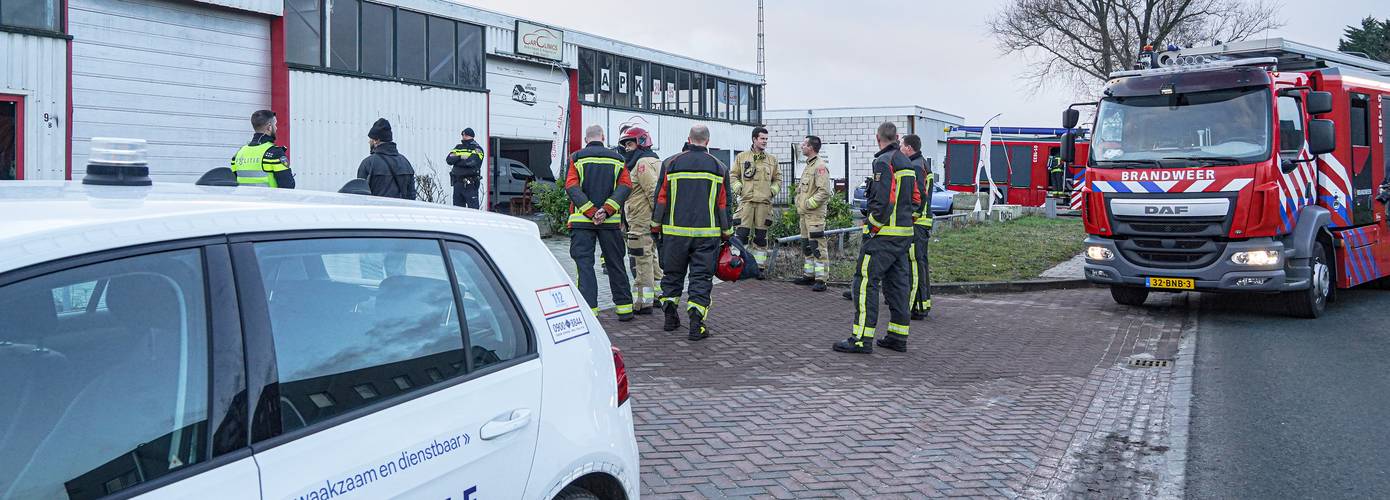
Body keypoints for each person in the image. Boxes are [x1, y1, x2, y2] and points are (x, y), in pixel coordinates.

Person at [835, 122, 919, 354]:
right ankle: (897, 336)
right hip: (903, 237)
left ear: (877, 137)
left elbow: (884, 201)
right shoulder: (907, 162)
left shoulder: (883, 162)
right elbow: (916, 199)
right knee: (898, 286)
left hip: (883, 237)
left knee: (864, 283)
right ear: (897, 137)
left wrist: (871, 226)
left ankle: (861, 339)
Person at [652, 124, 733, 341]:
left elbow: (660, 198)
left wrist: (655, 226)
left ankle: (670, 317)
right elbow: (724, 204)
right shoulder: (719, 167)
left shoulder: (671, 163)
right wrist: (727, 233)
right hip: (706, 235)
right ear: (707, 141)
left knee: (672, 274)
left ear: (688, 139)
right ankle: (696, 325)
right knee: (700, 278)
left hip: (673, 233)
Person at [566, 125, 636, 321]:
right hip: (610, 222)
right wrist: (606, 210)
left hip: (582, 222)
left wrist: (590, 211)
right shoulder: (618, 158)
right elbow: (625, 186)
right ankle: (625, 309)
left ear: (586, 139)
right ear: (603, 137)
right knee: (615, 263)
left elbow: (571, 185)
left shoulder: (576, 157)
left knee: (585, 266)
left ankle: (590, 311)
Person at [620, 127, 662, 315]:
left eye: (630, 144)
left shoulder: (642, 163)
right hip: (647, 220)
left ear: (641, 142)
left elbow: (653, 192)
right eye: (626, 145)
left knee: (641, 259)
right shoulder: (653, 160)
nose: (627, 149)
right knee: (651, 257)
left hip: (641, 221)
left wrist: (658, 218)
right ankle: (657, 296)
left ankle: (643, 302)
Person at [730, 127, 780, 272]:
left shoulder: (772, 160)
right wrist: (739, 188)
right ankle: (738, 267)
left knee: (761, 238)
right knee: (741, 236)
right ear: (754, 139)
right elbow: (733, 175)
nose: (765, 141)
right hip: (746, 204)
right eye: (762, 138)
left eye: (766, 139)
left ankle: (759, 268)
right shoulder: (742, 157)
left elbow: (778, 179)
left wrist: (772, 191)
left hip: (764, 205)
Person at [794, 135, 832, 292]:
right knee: (807, 246)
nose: (802, 147)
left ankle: (821, 280)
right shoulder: (809, 165)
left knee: (817, 247)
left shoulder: (819, 166)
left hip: (814, 215)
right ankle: (809, 276)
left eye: (804, 144)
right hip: (805, 215)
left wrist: (809, 204)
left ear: (811, 148)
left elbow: (824, 192)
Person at [902, 134, 934, 320]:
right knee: (920, 263)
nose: (899, 149)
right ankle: (922, 303)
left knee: (914, 264)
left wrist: (911, 216)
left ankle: (916, 306)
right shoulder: (922, 163)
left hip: (918, 223)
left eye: (901, 145)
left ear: (908, 148)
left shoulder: (914, 166)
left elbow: (919, 195)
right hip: (923, 222)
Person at [230, 109, 294, 188]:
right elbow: (288, 186)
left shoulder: (238, 154)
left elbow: (233, 180)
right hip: (269, 199)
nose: (276, 128)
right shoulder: (275, 153)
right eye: (275, 125)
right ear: (269, 127)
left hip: (244, 199)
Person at [356, 118, 417, 200]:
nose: (369, 142)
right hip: (401, 212)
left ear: (376, 140)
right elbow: (412, 197)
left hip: (375, 212)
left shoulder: (368, 164)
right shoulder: (405, 163)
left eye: (371, 139)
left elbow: (360, 197)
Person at [446, 128, 485, 208]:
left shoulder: (477, 149)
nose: (463, 136)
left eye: (465, 135)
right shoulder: (458, 147)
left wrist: (457, 160)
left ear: (471, 136)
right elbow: (449, 160)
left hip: (470, 184)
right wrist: (461, 157)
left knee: (473, 211)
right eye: (463, 135)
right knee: (457, 210)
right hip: (457, 183)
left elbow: (471, 162)